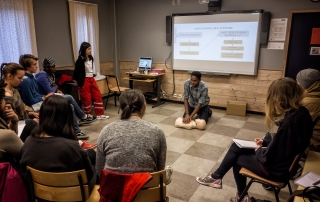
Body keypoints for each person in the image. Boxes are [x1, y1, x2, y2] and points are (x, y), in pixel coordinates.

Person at [195, 77, 313, 202]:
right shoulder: (301, 113)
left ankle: (237, 193)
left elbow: (269, 157)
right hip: (287, 165)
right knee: (237, 147)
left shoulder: (291, 122)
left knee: (237, 160)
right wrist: (266, 143)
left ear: (278, 98)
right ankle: (216, 177)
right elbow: (286, 145)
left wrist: (259, 150)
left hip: (278, 170)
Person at [20, 95, 96, 193]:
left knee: (90, 154)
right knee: (93, 157)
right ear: (67, 117)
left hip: (40, 195)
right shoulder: (71, 148)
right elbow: (88, 178)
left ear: (42, 115)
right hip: (73, 196)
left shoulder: (28, 142)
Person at [96, 89, 167, 176]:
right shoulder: (157, 132)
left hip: (114, 188)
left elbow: (99, 170)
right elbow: (160, 170)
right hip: (147, 186)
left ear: (121, 108)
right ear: (144, 107)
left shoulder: (106, 131)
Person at [17, 54, 89, 139]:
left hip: (40, 101)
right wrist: (44, 97)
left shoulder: (31, 78)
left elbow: (37, 94)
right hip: (33, 106)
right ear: (27, 67)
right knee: (68, 99)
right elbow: (30, 101)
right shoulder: (26, 81)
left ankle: (75, 129)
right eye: (34, 64)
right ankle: (79, 125)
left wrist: (44, 96)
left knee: (70, 106)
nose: (37, 66)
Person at [35, 57, 96, 126]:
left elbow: (53, 86)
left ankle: (78, 120)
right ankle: (83, 117)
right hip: (46, 98)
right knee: (69, 97)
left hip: (52, 95)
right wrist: (55, 88)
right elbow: (50, 90)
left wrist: (56, 89)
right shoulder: (42, 76)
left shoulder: (49, 75)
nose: (55, 68)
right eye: (53, 67)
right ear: (47, 68)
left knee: (70, 104)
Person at [1, 63, 38, 141]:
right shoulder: (4, 96)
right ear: (9, 76)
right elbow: (8, 121)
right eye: (19, 78)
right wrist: (31, 122)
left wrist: (31, 113)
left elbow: (21, 109)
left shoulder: (14, 91)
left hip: (21, 121)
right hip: (13, 127)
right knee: (33, 124)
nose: (22, 80)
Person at [74, 42, 109, 120]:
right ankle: (88, 115)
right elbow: (76, 73)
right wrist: (78, 82)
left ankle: (100, 114)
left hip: (91, 79)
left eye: (91, 48)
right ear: (84, 50)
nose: (90, 50)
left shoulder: (91, 58)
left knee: (97, 95)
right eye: (89, 49)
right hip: (84, 80)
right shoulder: (80, 60)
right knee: (87, 98)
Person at [296, 68, 320, 153]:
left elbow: (294, 126)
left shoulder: (308, 103)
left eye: (297, 82)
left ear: (303, 85)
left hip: (313, 146)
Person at [0, 79, 23, 163]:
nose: (5, 101)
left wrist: (14, 121)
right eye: (3, 98)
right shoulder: (7, 135)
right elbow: (25, 157)